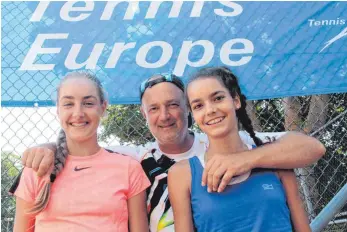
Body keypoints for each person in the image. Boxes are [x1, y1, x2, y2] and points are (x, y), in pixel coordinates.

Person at [17, 73, 325, 232]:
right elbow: (83, 152)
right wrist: (48, 146)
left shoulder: (222, 140)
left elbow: (311, 147)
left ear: (188, 110)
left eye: (174, 104)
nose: (164, 115)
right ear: (143, 114)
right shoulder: (132, 158)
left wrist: (245, 158)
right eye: (154, 108)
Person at [168, 67, 311, 232]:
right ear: (193, 114)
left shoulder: (276, 158)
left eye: (218, 98)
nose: (210, 110)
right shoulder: (182, 174)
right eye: (198, 105)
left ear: (235, 100)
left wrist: (245, 159)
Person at [12, 72, 150, 232]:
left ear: (103, 107)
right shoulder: (36, 169)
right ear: (58, 109)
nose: (78, 113)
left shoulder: (129, 168)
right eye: (68, 104)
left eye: (88, 103)